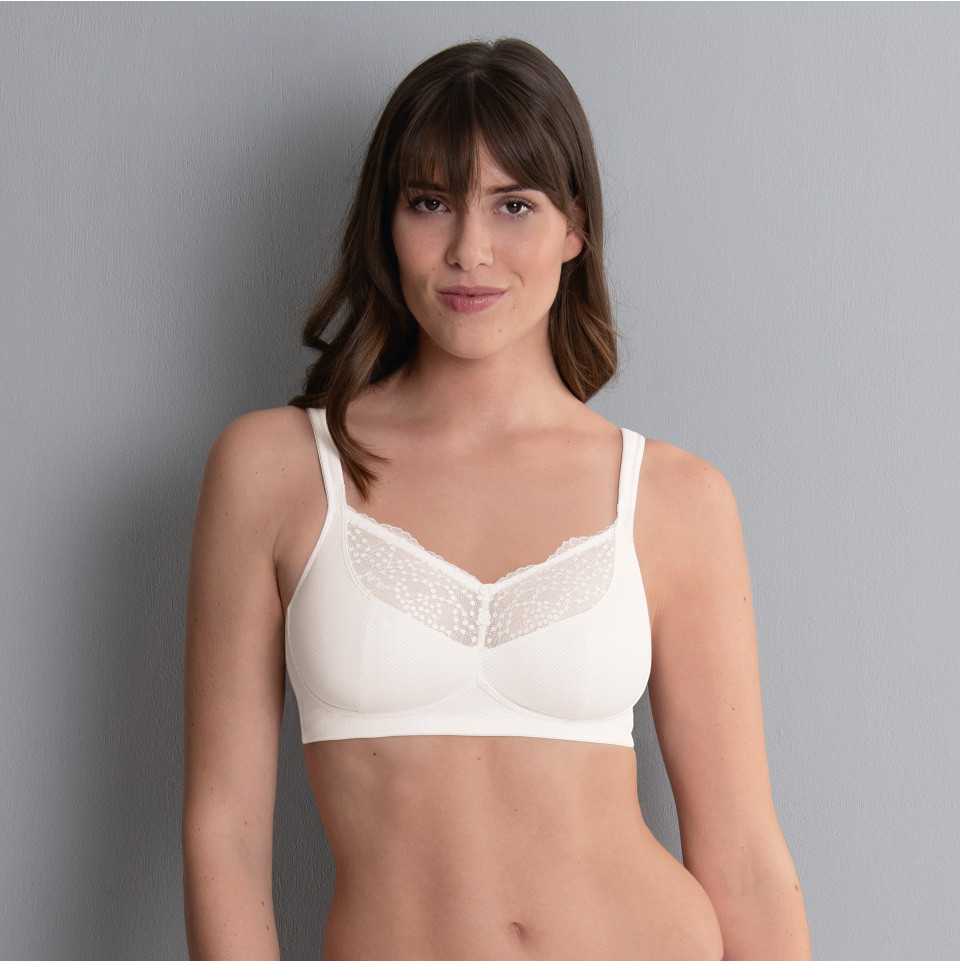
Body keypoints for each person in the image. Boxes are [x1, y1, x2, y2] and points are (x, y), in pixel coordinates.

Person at [182, 38, 812, 961]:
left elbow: (746, 860)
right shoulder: (273, 470)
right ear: (385, 223)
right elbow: (225, 837)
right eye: (429, 202)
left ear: (573, 227)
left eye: (513, 205)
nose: (468, 250)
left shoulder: (674, 497)